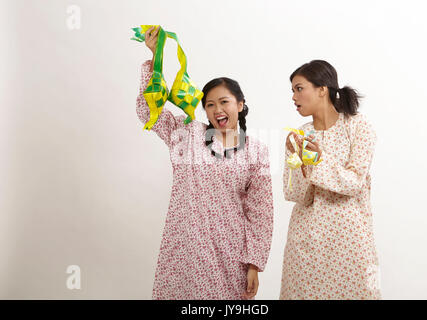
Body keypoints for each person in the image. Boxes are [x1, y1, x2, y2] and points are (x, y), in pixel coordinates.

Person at [136, 27, 274, 299]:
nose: (217, 110)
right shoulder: (187, 134)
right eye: (210, 105)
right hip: (184, 250)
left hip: (229, 254)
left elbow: (261, 213)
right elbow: (147, 111)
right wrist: (155, 60)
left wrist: (254, 264)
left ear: (241, 105)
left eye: (224, 102)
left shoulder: (256, 151)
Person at [280, 60, 381, 300]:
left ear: (322, 89)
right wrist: (297, 161)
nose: (293, 96)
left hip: (349, 243)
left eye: (299, 88)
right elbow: (294, 194)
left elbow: (354, 182)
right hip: (306, 243)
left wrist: (317, 161)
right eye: (292, 90)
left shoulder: (358, 127)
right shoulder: (300, 135)